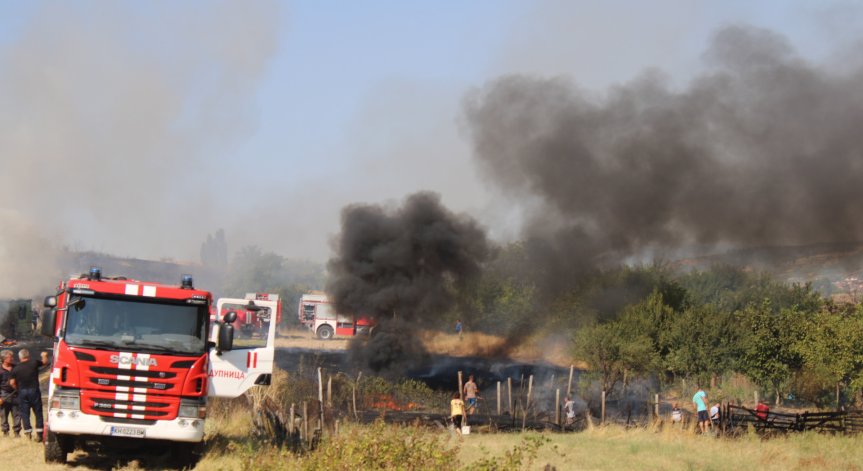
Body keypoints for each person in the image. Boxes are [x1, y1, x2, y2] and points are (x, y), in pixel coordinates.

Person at [10, 348, 49, 441]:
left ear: (20, 357)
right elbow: (45, 362)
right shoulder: (34, 363)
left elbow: (12, 382)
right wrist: (44, 355)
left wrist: (17, 389)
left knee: (25, 413)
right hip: (34, 390)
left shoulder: (15, 368)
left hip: (22, 392)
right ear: (28, 356)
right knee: (38, 412)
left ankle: (28, 434)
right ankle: (39, 434)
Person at [0, 350, 21, 436]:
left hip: (16, 393)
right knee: (4, 414)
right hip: (4, 394)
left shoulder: (16, 367)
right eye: (10, 357)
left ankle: (17, 432)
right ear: (4, 359)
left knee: (17, 414)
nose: (12, 358)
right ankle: (5, 432)